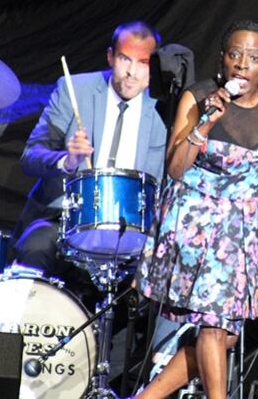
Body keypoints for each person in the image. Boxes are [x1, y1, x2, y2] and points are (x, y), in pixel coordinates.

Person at [133, 20, 258, 399]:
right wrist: (207, 122)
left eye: (253, 57)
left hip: (242, 224)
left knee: (224, 337)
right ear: (223, 60)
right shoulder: (197, 98)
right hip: (198, 222)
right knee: (213, 327)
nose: (243, 64)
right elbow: (176, 168)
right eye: (235, 55)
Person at [12, 20, 167, 279]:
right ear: (110, 57)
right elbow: (30, 156)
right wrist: (68, 161)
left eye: (143, 63)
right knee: (35, 247)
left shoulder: (163, 108)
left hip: (133, 230)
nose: (132, 72)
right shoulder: (73, 89)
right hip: (62, 220)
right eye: (124, 59)